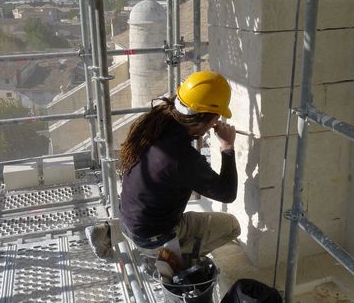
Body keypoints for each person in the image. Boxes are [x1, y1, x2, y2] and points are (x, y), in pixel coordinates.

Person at [86, 70, 240, 261]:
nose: (216, 123)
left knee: (157, 207)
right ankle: (172, 260)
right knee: (232, 226)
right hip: (154, 238)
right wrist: (227, 147)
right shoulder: (181, 157)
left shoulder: (156, 122)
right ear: (203, 118)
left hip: (129, 218)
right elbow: (227, 193)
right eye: (216, 118)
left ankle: (111, 232)